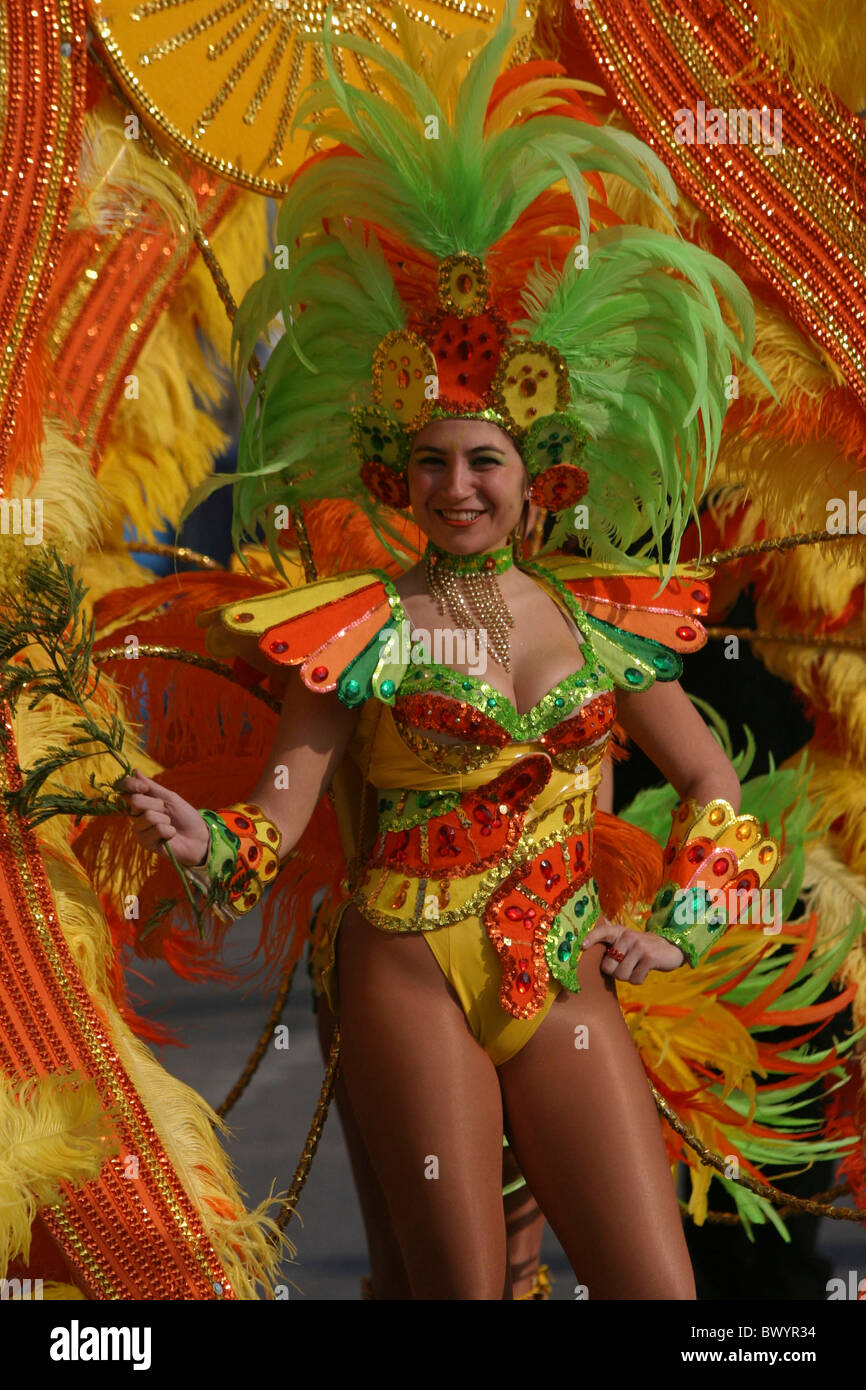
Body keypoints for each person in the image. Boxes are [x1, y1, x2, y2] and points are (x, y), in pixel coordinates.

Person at [117, 3, 783, 1298]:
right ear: (399, 478)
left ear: (535, 481)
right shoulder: (351, 629)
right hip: (405, 965)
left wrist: (679, 922)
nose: (459, 483)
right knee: (458, 1288)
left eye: (484, 460)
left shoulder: (603, 625)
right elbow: (278, 811)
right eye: (433, 462)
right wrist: (206, 845)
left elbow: (710, 784)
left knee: (662, 1290)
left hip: (560, 965)